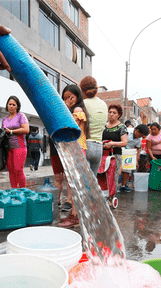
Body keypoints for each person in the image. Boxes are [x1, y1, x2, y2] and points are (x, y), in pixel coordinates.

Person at [58, 84, 89, 228]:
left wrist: (65, 108)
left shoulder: (77, 110)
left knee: (75, 184)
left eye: (71, 97)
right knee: (72, 183)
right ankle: (74, 215)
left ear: (77, 97)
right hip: (74, 149)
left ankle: (75, 216)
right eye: (65, 98)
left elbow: (71, 127)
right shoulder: (75, 109)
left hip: (76, 149)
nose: (67, 100)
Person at [80, 76, 108, 175]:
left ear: (82, 90)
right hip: (99, 148)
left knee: (84, 183)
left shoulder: (82, 104)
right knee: (93, 183)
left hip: (85, 145)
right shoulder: (104, 104)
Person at [1, 96, 29, 188]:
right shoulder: (4, 119)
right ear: (7, 105)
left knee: (18, 170)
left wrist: (12, 131)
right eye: (10, 104)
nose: (11, 106)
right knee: (11, 170)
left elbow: (26, 129)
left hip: (19, 147)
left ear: (17, 106)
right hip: (9, 148)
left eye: (14, 104)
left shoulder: (21, 116)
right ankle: (14, 191)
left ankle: (23, 192)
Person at [102, 104, 127, 189]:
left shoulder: (121, 127)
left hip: (115, 156)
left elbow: (124, 142)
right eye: (110, 112)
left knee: (113, 177)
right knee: (102, 176)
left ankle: (111, 197)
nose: (111, 114)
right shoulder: (104, 126)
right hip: (104, 155)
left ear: (119, 115)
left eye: (114, 113)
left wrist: (112, 144)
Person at [121, 124, 149, 192]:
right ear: (137, 131)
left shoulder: (139, 139)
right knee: (118, 169)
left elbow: (137, 149)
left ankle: (123, 186)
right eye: (140, 135)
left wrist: (136, 160)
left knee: (127, 169)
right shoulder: (127, 131)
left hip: (129, 153)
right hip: (120, 150)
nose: (140, 137)